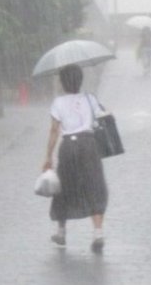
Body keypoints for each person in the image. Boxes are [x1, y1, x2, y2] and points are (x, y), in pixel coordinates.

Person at [42, 64, 108, 253]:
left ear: (63, 83)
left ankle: (61, 232)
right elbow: (102, 117)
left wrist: (48, 157)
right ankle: (98, 233)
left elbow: (54, 131)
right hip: (89, 145)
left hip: (68, 147)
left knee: (64, 187)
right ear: (80, 80)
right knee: (95, 185)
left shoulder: (58, 103)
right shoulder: (90, 98)